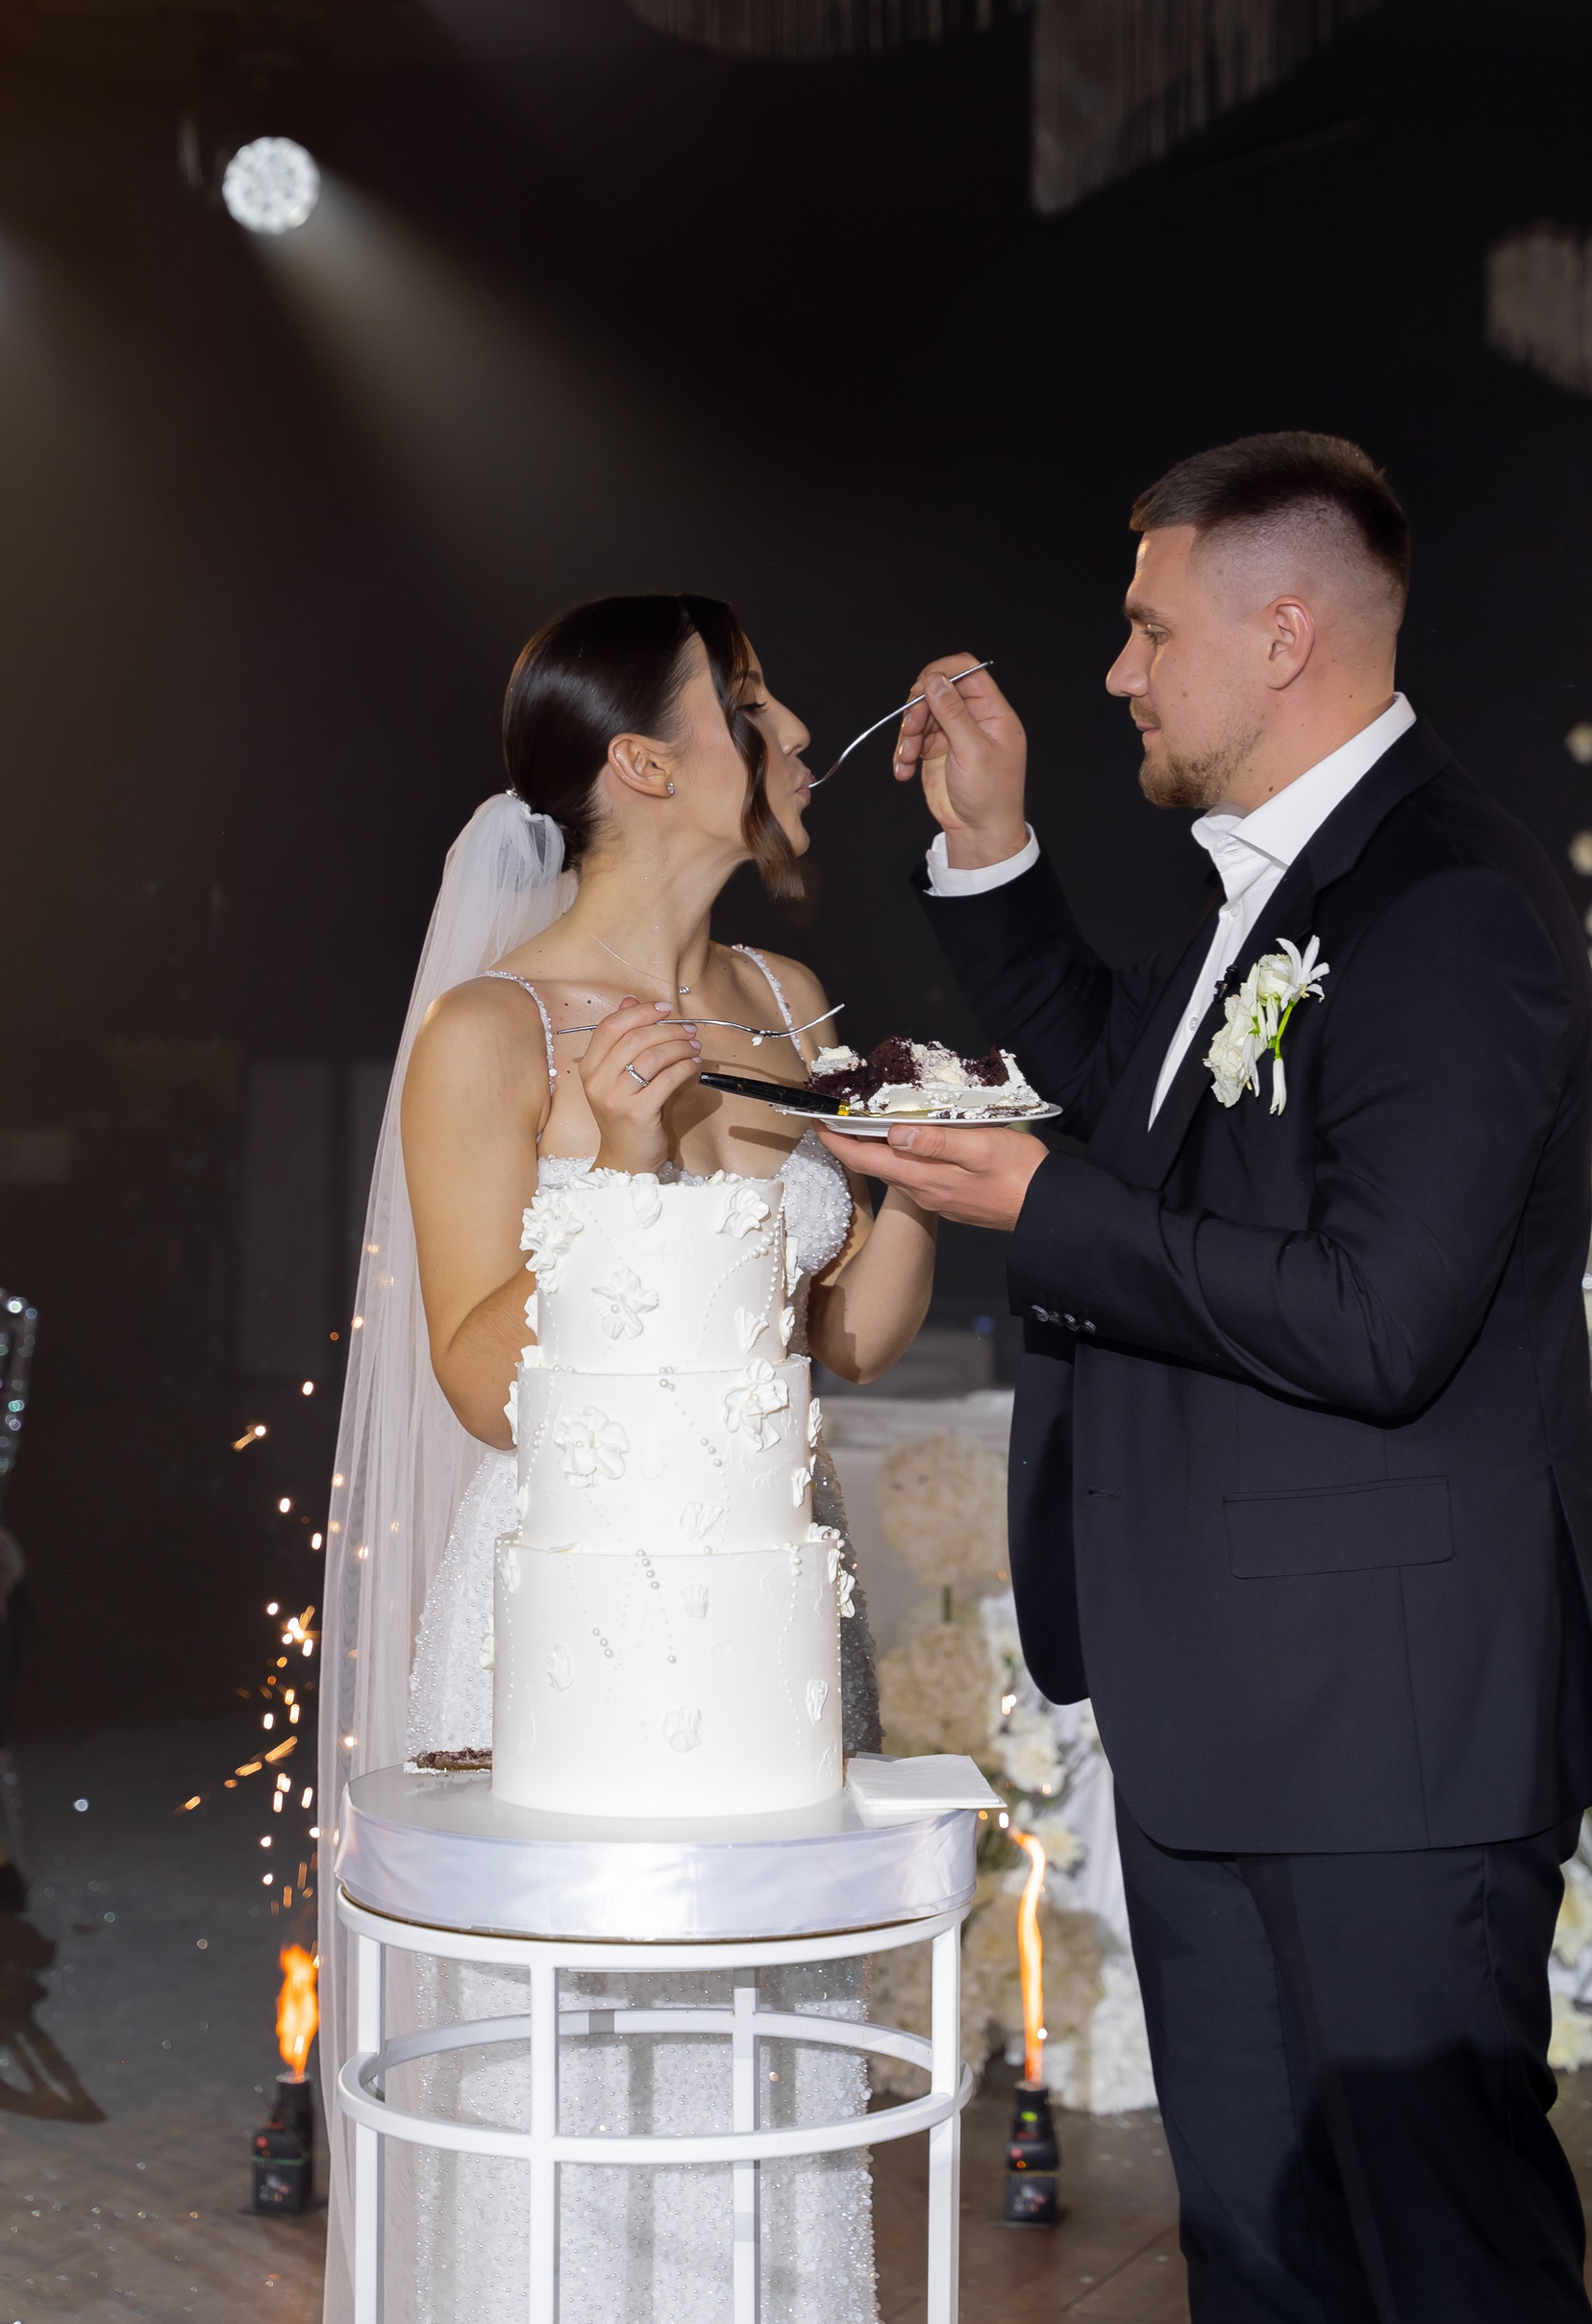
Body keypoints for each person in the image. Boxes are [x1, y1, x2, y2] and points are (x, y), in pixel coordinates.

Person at [833, 434, 1592, 2324]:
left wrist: (1037, 1203)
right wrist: (990, 852)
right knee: (1266, 2268)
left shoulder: (1447, 900)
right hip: (1228, 1716)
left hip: (1387, 1737)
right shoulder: (1265, 891)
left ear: (1284, 635)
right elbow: (1136, 1086)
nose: (1117, 671)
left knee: (1450, 2269)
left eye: (1150, 628)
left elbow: (1380, 1317)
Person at [319, 592, 933, 2324]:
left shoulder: (786, 999)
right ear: (646, 763)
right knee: (577, 2105)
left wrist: (911, 1174)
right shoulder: (492, 1031)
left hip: (768, 1600)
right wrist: (613, 1161)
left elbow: (844, 1340)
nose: (795, 735)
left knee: (762, 2086)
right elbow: (478, 1378)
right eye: (750, 705)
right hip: (575, 1619)